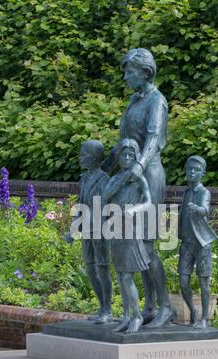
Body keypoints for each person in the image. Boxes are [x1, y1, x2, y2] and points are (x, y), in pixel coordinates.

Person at [102, 48, 176, 328]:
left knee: (145, 244)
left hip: (149, 174)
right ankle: (149, 307)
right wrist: (103, 170)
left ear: (146, 72)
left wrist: (139, 166)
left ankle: (165, 306)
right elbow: (124, 144)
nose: (125, 77)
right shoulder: (134, 101)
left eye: (129, 71)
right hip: (130, 176)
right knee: (135, 245)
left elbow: (154, 139)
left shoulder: (157, 101)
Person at [103, 139, 152, 334]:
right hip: (116, 229)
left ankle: (137, 316)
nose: (127, 158)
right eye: (124, 155)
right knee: (120, 274)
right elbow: (106, 194)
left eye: (131, 155)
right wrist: (124, 177)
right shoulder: (116, 178)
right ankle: (125, 316)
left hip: (131, 228)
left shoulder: (140, 179)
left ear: (137, 157)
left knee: (127, 277)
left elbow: (148, 202)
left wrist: (135, 210)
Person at [65, 140, 112, 324]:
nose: (80, 157)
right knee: (91, 270)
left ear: (94, 158)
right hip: (86, 230)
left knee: (102, 269)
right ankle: (102, 307)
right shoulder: (83, 179)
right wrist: (74, 228)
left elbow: (105, 208)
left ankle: (107, 310)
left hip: (99, 231)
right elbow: (81, 207)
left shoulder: (104, 179)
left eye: (83, 154)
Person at [178, 155, 217, 329]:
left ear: (203, 173)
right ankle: (193, 312)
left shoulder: (203, 192)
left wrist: (198, 210)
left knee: (203, 282)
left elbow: (205, 209)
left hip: (201, 244)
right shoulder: (186, 192)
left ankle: (204, 319)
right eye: (190, 169)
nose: (192, 172)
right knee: (183, 281)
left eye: (196, 170)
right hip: (186, 243)